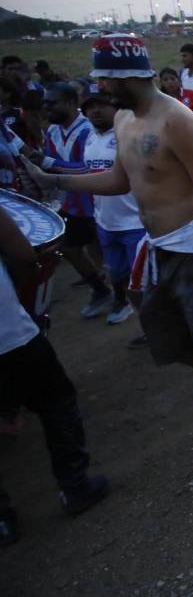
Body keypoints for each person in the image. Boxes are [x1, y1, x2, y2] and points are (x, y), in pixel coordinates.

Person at [22, 35, 193, 486]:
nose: (99, 88)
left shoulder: (176, 120)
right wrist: (57, 180)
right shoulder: (125, 118)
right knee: (168, 340)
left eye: (104, 78)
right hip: (159, 247)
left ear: (125, 76)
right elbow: (121, 180)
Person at [0, 208, 110, 546]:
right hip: (10, 334)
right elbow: (24, 256)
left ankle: (2, 520)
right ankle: (75, 486)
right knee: (56, 403)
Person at [40, 82, 113, 319]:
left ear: (71, 103)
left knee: (103, 251)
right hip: (72, 202)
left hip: (98, 200)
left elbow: (88, 167)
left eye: (52, 103)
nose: (47, 108)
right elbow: (51, 164)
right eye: (45, 103)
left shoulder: (88, 129)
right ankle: (102, 289)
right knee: (71, 247)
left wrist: (49, 165)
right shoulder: (53, 131)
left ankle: (119, 295)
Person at [82, 84, 143, 329]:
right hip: (105, 221)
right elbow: (89, 173)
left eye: (102, 105)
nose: (96, 111)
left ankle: (154, 327)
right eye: (90, 107)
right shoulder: (89, 137)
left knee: (143, 282)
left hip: (135, 222)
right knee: (118, 273)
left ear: (115, 107)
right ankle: (124, 304)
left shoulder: (128, 135)